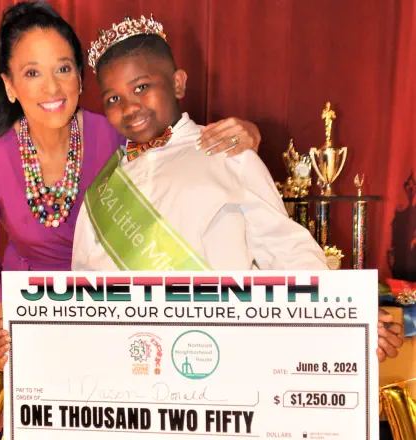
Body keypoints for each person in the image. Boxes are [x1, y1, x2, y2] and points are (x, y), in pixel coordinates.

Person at [71, 15, 403, 362]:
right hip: (128, 361)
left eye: (141, 87)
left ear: (178, 83)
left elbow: (285, 250)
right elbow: (84, 283)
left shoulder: (227, 153)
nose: (129, 107)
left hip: (218, 355)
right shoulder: (104, 187)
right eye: (113, 98)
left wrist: (351, 318)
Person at [0, 2, 261, 367]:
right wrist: (7, 338)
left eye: (63, 68)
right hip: (32, 311)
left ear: (80, 77)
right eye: (32, 73)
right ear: (10, 85)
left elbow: (179, 150)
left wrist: (246, 134)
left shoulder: (117, 134)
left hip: (114, 311)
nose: (51, 87)